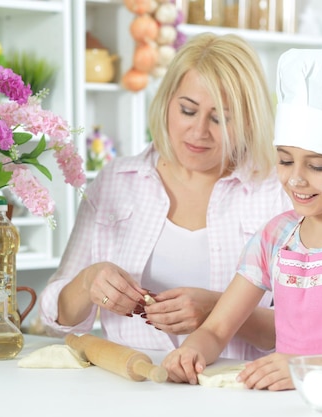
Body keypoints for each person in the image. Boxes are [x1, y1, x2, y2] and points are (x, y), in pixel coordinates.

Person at [161, 46, 322, 390]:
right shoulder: (275, 237)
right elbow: (216, 329)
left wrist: (308, 367)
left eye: (317, 166)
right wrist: (193, 349)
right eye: (285, 161)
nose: (296, 179)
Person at [38, 33, 292, 360]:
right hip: (133, 385)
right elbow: (56, 319)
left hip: (233, 391)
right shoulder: (117, 181)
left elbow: (303, 326)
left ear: (247, 120)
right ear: (167, 101)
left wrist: (218, 310)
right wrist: (90, 282)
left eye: (220, 118)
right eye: (188, 110)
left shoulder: (276, 193)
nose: (199, 131)